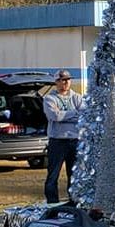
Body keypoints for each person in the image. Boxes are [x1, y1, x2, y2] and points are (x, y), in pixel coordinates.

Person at [42, 69, 85, 203]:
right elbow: (55, 116)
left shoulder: (77, 97)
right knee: (53, 174)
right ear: (57, 82)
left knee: (74, 174)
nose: (66, 83)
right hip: (57, 141)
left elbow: (84, 115)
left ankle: (74, 202)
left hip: (75, 141)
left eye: (68, 80)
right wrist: (74, 113)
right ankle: (52, 203)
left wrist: (64, 115)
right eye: (62, 80)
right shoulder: (49, 98)